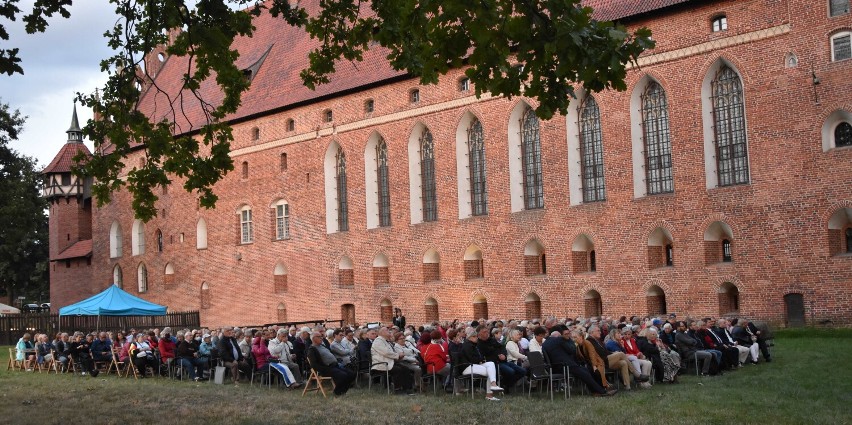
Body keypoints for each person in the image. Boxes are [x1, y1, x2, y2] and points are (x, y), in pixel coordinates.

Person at [543, 328, 616, 397]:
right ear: (557, 336)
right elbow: (571, 350)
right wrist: (570, 341)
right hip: (567, 366)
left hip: (556, 368)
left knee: (586, 371)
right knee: (585, 373)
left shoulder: (545, 344)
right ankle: (601, 391)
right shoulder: (559, 340)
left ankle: (596, 391)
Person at [587, 325, 639, 390]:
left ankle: (627, 386)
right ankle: (635, 373)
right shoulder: (589, 341)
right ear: (592, 332)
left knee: (623, 363)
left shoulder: (598, 340)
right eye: (598, 331)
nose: (600, 332)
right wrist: (614, 353)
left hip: (606, 360)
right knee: (621, 354)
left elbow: (605, 351)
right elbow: (599, 353)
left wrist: (613, 353)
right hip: (601, 362)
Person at [477, 326, 525, 393]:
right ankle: (504, 385)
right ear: (479, 334)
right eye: (485, 332)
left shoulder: (492, 340)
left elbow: (502, 347)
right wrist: (498, 355)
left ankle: (506, 384)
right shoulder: (478, 344)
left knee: (522, 371)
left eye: (487, 331)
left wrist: (503, 355)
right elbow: (486, 354)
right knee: (511, 371)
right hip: (494, 363)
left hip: (503, 360)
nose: (487, 333)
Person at [306, 331, 356, 395]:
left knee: (352, 374)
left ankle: (342, 391)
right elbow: (313, 365)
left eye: (321, 336)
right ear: (313, 339)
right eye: (319, 337)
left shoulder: (322, 346)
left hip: (335, 365)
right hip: (326, 368)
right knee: (343, 375)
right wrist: (324, 368)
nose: (321, 338)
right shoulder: (312, 349)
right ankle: (337, 392)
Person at [459, 328, 502, 401]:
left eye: (476, 336)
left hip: (474, 365)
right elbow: (472, 359)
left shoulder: (473, 345)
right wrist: (481, 360)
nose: (476, 338)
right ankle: (489, 395)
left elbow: (479, 357)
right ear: (470, 337)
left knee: (491, 364)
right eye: (474, 336)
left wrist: (481, 360)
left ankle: (493, 384)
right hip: (467, 367)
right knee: (490, 372)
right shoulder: (467, 345)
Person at [371, 327, 415, 394]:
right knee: (398, 370)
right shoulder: (378, 341)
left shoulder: (386, 341)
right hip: (381, 364)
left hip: (389, 362)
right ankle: (398, 390)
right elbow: (386, 352)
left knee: (405, 369)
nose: (389, 331)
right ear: (382, 333)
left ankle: (407, 389)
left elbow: (391, 351)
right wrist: (397, 355)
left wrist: (398, 355)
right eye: (387, 330)